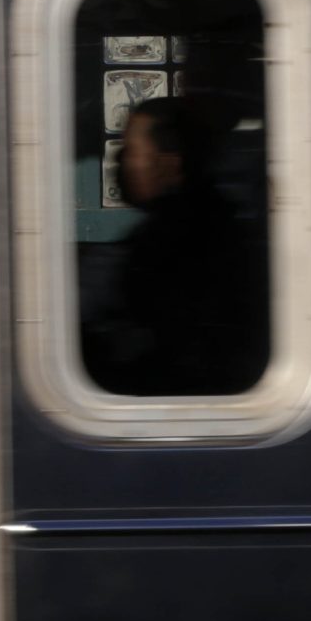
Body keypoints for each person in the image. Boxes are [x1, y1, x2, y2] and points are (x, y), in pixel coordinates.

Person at [83, 95, 268, 397]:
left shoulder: (175, 241)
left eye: (132, 151)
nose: (121, 161)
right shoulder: (210, 221)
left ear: (168, 162)